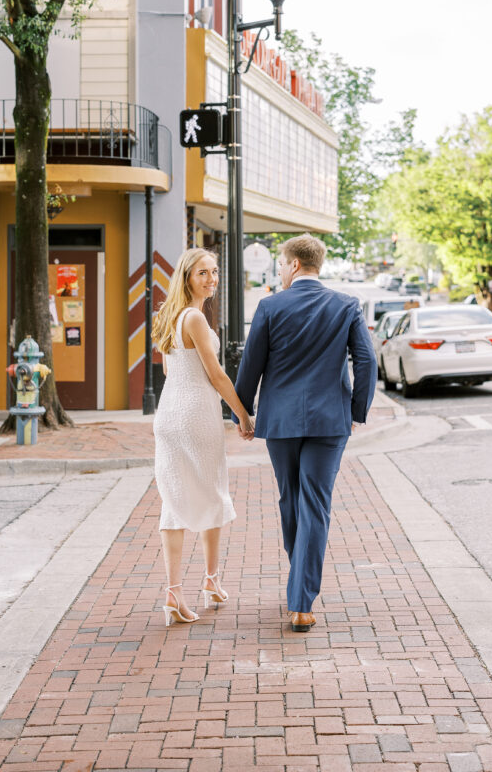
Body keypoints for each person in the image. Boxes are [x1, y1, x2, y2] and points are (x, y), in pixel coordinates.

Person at [235, 234, 377, 632]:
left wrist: (243, 413)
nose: (279, 270)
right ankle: (302, 596)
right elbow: (366, 360)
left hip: (280, 422)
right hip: (330, 420)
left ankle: (299, 597)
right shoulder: (346, 304)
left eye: (281, 264)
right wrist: (356, 411)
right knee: (314, 504)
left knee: (290, 500)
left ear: (294, 264)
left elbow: (251, 366)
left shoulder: (269, 306)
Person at [152, 248, 255, 627]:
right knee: (212, 491)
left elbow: (169, 372)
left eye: (214, 272)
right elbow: (216, 375)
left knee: (174, 500)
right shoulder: (194, 318)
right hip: (196, 415)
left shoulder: (169, 317)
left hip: (169, 414)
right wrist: (242, 413)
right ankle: (207, 582)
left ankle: (178, 592)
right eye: (202, 273)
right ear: (186, 277)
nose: (211, 279)